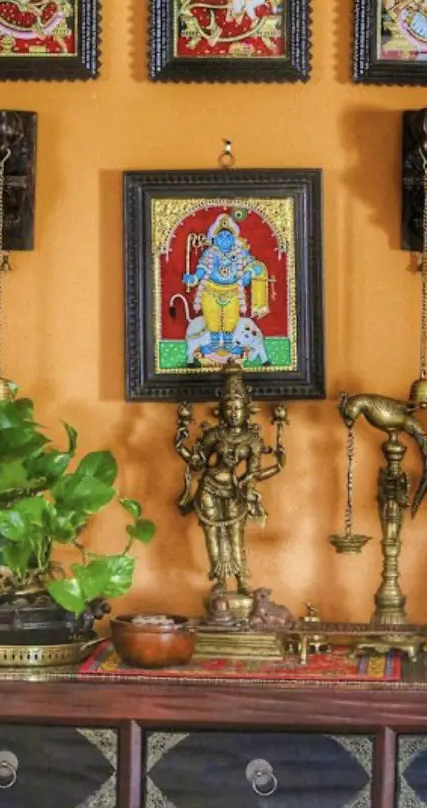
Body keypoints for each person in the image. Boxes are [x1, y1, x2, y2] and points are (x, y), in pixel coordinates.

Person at [174, 363, 287, 593]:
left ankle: (242, 579)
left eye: (238, 408)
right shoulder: (215, 435)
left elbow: (254, 474)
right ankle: (220, 580)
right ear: (222, 410)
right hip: (209, 487)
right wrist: (180, 446)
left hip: (235, 490)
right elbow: (198, 463)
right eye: (229, 408)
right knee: (212, 535)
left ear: (246, 409)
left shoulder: (252, 440)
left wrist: (277, 468)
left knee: (236, 535)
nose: (234, 413)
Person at [182, 213, 268, 358]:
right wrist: (194, 278)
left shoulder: (240, 253)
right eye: (221, 236)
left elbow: (255, 266)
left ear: (234, 239)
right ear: (214, 239)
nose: (224, 240)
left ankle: (229, 344)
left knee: (231, 318)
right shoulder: (210, 253)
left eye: (228, 236)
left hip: (233, 291)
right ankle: (213, 343)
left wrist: (249, 272)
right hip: (210, 290)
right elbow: (202, 269)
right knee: (212, 317)